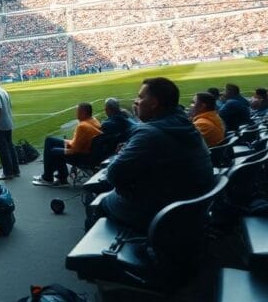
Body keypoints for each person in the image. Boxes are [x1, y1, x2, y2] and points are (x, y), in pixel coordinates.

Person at [98, 78, 215, 232]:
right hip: (193, 208)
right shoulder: (185, 124)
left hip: (163, 213)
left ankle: (96, 254)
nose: (136, 101)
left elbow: (113, 175)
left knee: (100, 203)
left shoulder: (148, 133)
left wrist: (124, 155)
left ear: (154, 102)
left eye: (140, 97)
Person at [32, 102, 101, 187]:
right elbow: (78, 142)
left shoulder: (82, 126)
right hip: (88, 151)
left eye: (77, 111)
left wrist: (65, 145)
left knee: (53, 151)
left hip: (82, 155)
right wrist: (67, 142)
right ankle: (49, 175)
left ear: (83, 113)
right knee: (49, 140)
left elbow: (75, 149)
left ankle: (56, 178)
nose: (76, 114)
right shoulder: (93, 120)